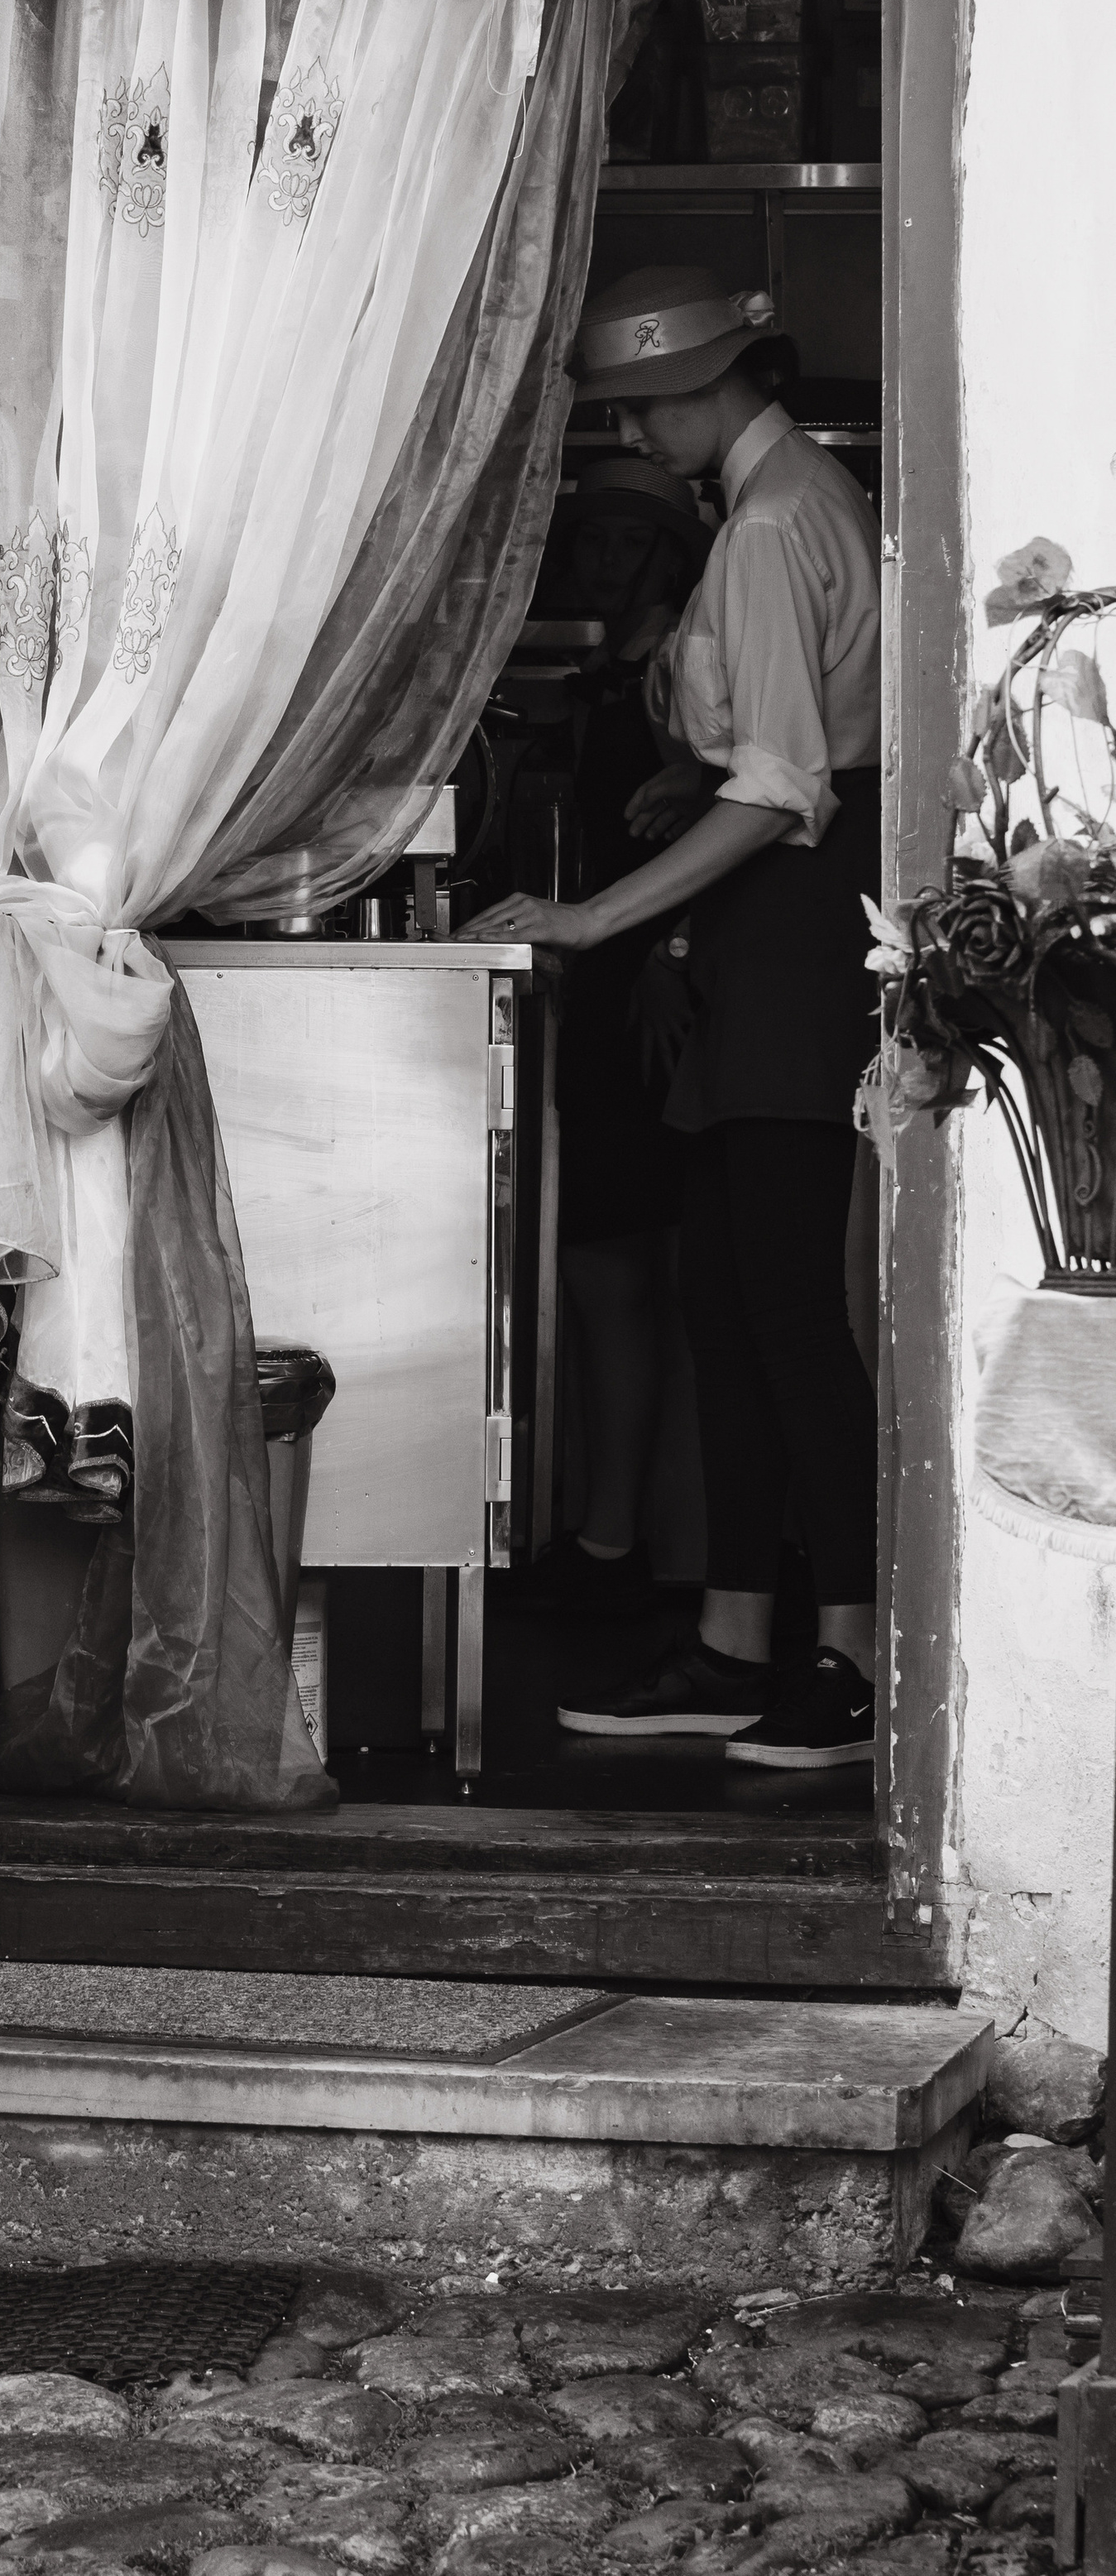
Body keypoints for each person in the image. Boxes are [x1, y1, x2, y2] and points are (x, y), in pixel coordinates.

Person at [465, 263, 882, 1772]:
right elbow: (771, 760)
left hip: (797, 935)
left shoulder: (771, 529)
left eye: (644, 401)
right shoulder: (789, 504)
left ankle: (844, 1658)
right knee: (729, 1302)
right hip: (777, 931)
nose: (634, 431)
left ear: (711, 383)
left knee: (781, 1311)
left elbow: (784, 786)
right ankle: (733, 1640)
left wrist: (585, 916)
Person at [535, 457, 711, 1613]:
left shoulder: (686, 680)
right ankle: (616, 1535)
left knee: (621, 1274)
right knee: (608, 1273)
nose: (603, 558)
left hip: (643, 996)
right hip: (594, 988)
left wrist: (670, 952)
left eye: (627, 540)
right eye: (589, 537)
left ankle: (615, 1548)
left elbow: (730, 815)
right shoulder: (604, 678)